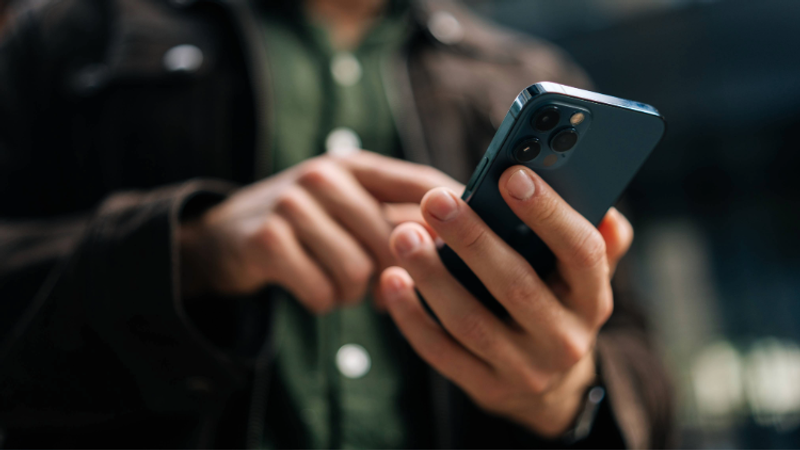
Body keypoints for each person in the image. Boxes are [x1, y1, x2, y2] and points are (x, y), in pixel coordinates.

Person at [0, 0, 672, 447]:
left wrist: (566, 395)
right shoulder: (70, 38)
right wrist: (196, 249)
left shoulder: (523, 73)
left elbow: (647, 377)